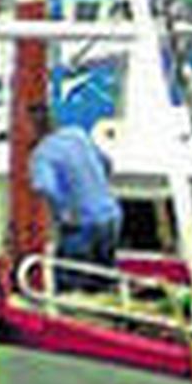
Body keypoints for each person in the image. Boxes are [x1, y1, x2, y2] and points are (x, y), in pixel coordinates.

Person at [29, 110, 122, 290]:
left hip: (81, 223)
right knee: (104, 276)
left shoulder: (42, 154)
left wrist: (63, 211)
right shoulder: (78, 135)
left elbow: (45, 187)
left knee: (69, 279)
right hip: (110, 215)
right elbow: (107, 163)